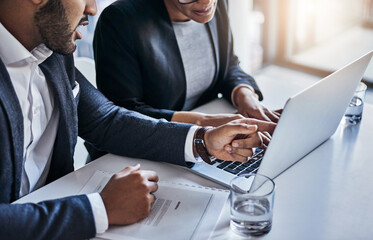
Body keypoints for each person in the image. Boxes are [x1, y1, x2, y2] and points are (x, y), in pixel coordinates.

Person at [0, 0, 276, 239]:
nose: (92, 9)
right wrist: (98, 210)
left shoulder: (51, 50)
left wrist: (202, 141)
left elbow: (106, 119)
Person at [93, 0, 281, 128]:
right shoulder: (120, 21)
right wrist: (204, 124)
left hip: (208, 141)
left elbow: (228, 64)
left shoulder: (216, 4)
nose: (205, 2)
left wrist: (245, 95)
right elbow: (123, 115)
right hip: (140, 154)